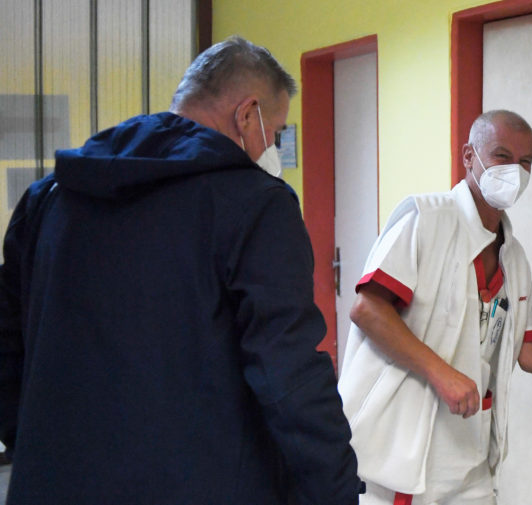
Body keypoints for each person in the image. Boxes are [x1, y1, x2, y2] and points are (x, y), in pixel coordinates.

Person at [0, 36, 362, 504]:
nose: (272, 148)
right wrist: (335, 490)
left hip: (52, 482)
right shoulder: (256, 206)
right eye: (276, 132)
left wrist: (38, 444)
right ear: (247, 114)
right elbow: (288, 375)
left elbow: (7, 345)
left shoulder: (51, 197)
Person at [338, 110, 532, 505]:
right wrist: (443, 374)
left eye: (526, 161)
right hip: (404, 455)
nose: (514, 171)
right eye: (502, 156)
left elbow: (529, 351)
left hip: (470, 459)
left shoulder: (514, 258)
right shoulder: (425, 220)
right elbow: (368, 309)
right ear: (469, 156)